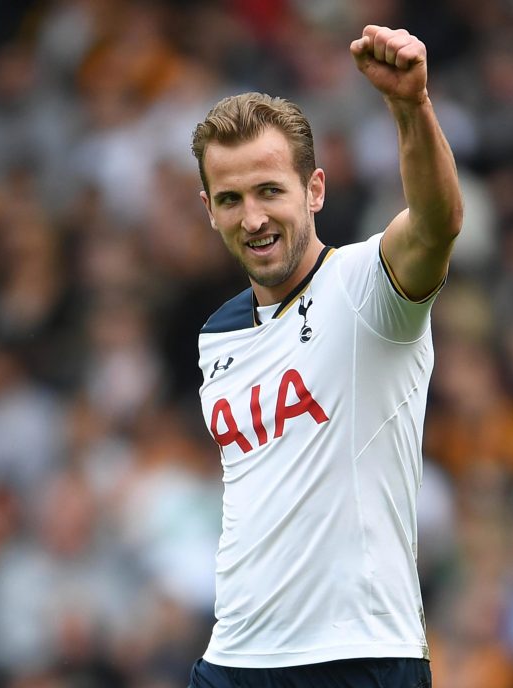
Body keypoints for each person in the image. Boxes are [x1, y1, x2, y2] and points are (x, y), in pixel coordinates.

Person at [186, 25, 463, 688]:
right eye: (230, 199)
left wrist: (410, 108)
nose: (251, 217)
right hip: (234, 660)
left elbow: (436, 222)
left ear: (314, 189)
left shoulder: (368, 288)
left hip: (356, 658)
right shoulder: (216, 335)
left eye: (269, 191)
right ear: (208, 210)